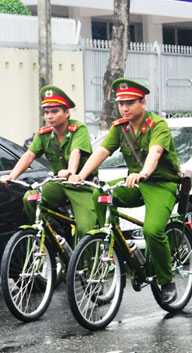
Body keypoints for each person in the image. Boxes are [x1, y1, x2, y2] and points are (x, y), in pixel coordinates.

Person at [70, 78, 181, 305]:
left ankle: (166, 280)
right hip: (134, 183)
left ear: (143, 102)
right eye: (121, 104)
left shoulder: (157, 125)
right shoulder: (120, 128)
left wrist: (145, 173)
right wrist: (81, 175)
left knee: (152, 230)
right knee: (99, 194)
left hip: (160, 183)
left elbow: (155, 152)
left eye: (130, 102)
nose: (124, 108)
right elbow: (101, 151)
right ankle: (114, 240)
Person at [1, 85, 98, 240]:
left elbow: (76, 151)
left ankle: (86, 262)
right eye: (46, 112)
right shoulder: (44, 134)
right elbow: (29, 155)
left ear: (67, 113)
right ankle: (53, 238)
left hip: (81, 185)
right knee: (30, 198)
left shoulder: (78, 129)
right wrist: (11, 176)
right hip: (59, 184)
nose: (49, 116)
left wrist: (71, 172)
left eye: (55, 111)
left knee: (85, 228)